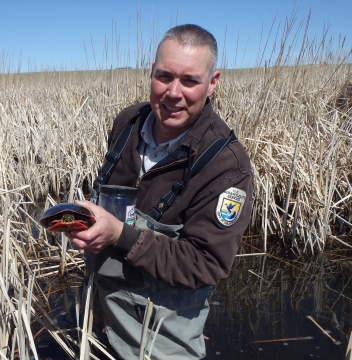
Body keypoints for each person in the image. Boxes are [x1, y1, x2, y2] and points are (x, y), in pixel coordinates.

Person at [66, 24, 254, 359]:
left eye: (190, 81)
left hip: (160, 332)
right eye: (164, 76)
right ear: (151, 72)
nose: (173, 92)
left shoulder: (226, 165)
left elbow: (206, 264)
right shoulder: (127, 123)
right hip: (97, 312)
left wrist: (118, 235)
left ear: (213, 83)